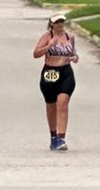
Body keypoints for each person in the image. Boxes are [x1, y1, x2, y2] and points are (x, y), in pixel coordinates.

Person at [33, 12, 78, 152]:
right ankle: (53, 137)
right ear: (52, 24)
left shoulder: (69, 37)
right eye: (57, 22)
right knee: (51, 106)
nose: (60, 24)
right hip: (50, 73)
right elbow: (36, 54)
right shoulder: (47, 37)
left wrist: (75, 57)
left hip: (66, 73)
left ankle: (61, 138)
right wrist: (48, 46)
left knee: (63, 103)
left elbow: (73, 54)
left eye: (62, 21)